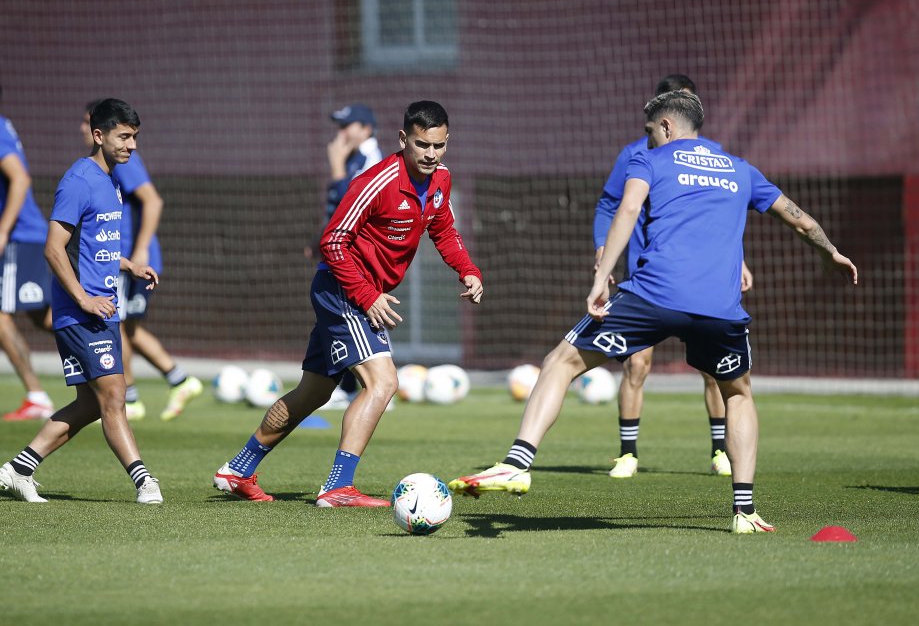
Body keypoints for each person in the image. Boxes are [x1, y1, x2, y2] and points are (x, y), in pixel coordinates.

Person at [450, 91, 857, 534]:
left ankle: (516, 463)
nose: (647, 140)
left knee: (561, 361)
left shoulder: (649, 161)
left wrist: (600, 276)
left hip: (655, 295)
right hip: (720, 309)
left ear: (665, 127)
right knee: (737, 393)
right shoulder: (742, 171)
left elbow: (626, 209)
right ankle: (744, 512)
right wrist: (831, 253)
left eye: (649, 132)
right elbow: (799, 219)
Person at [213, 100, 483, 506]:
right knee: (384, 381)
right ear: (403, 139)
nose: (431, 154)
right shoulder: (376, 181)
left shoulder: (441, 179)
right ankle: (338, 487)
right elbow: (332, 241)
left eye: (439, 145)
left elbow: (443, 229)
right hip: (343, 288)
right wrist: (367, 295)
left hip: (359, 292)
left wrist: (467, 268)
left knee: (313, 393)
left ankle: (237, 470)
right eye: (422, 144)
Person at [0, 98, 163, 504]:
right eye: (124, 137)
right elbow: (54, 249)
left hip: (102, 307)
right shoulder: (78, 180)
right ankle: (145, 482)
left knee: (91, 404)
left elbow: (91, 246)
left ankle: (17, 470)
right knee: (113, 396)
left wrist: (127, 264)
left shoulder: (111, 180)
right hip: (82, 313)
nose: (132, 145)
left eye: (135, 137)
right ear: (98, 135)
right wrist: (84, 299)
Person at [592, 74, 748, 479]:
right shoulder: (638, 155)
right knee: (636, 364)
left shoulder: (712, 158)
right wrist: (603, 251)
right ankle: (628, 453)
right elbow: (612, 205)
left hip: (701, 279)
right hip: (646, 276)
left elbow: (721, 217)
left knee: (715, 371)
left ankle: (720, 451)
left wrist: (740, 261)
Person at [81, 104, 202, 422]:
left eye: (86, 122)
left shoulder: (123, 160)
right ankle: (178, 380)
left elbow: (152, 200)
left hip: (130, 258)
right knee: (128, 327)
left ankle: (131, 397)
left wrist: (142, 250)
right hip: (121, 258)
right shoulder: (98, 167)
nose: (82, 129)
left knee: (117, 324)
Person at [308, 103, 383, 410]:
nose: (341, 133)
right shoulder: (355, 157)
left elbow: (353, 204)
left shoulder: (370, 159)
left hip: (362, 256)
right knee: (338, 315)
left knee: (357, 314)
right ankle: (347, 385)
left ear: (365, 129)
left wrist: (337, 167)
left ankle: (373, 386)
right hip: (343, 252)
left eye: (347, 126)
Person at [0, 85, 56, 421]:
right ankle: (106, 372)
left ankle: (36, 395)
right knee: (46, 317)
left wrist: (3, 230)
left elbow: (20, 179)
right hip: (26, 236)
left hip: (19, 237)